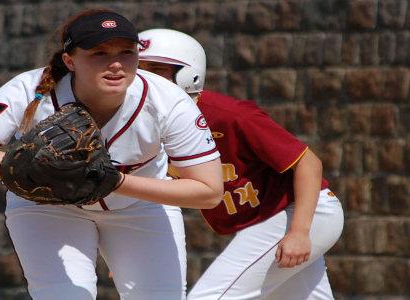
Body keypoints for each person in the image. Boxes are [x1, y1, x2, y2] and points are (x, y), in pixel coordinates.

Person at [0, 10, 224, 300]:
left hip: (140, 206)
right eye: (99, 53)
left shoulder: (168, 100)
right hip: (48, 206)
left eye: (126, 52)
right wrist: (45, 167)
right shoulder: (31, 88)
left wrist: (115, 183)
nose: (115, 64)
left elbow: (208, 191)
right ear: (69, 60)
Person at [137, 28, 344, 299]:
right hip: (266, 220)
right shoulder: (146, 119)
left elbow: (309, 163)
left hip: (299, 213)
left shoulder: (230, 115)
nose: (144, 78)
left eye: (156, 69)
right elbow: (157, 191)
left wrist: (299, 232)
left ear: (188, 74)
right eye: (138, 69)